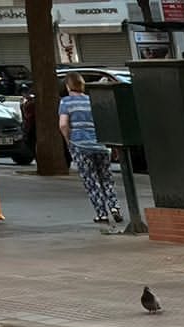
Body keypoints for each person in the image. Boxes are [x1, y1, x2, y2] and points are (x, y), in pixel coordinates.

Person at [59, 74, 121, 228]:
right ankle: (114, 206)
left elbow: (63, 124)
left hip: (80, 145)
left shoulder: (66, 102)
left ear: (67, 86)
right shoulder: (91, 100)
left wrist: (68, 140)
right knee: (106, 178)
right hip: (100, 145)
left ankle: (102, 213)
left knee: (91, 181)